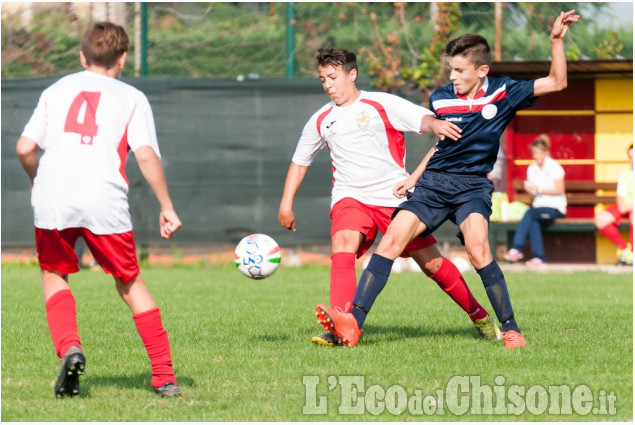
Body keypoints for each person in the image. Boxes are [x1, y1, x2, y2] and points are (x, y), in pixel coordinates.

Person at [315, 11, 580, 348]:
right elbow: (444, 144)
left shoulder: (504, 92)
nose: (452, 77)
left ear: (482, 71)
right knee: (392, 239)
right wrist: (416, 175)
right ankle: (353, 325)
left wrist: (556, 42)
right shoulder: (441, 98)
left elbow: (557, 81)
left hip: (472, 187)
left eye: (459, 71)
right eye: (450, 69)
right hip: (434, 184)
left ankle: (510, 328)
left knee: (478, 250)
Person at [279, 47, 502, 347]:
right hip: (350, 197)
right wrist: (286, 203)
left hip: (394, 198)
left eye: (333, 77)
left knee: (432, 265)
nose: (328, 84)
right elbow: (300, 160)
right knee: (342, 244)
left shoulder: (380, 103)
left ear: (352, 74)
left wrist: (437, 125)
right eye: (322, 79)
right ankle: (345, 326)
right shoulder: (321, 119)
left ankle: (478, 314)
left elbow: (423, 119)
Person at [16, 22, 182, 398]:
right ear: (122, 58)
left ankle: (71, 348)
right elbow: (145, 155)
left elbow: (25, 147)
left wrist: (35, 181)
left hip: (53, 195)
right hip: (103, 197)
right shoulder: (131, 97)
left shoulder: (55, 90)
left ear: (81, 56)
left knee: (54, 274)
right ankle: (164, 377)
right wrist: (166, 206)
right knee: (129, 283)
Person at [503, 135, 567, 267]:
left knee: (531, 214)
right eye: (534, 153)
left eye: (538, 153)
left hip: (555, 208)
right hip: (538, 209)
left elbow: (560, 189)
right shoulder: (532, 168)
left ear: (545, 152)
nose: (536, 156)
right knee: (534, 221)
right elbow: (534, 194)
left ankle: (516, 247)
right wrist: (530, 190)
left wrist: (539, 189)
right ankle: (540, 258)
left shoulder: (555, 167)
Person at [594, 144, 633, 265]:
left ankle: (632, 253)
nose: (632, 160)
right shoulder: (625, 173)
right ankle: (624, 249)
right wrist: (624, 206)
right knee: (600, 219)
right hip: (626, 206)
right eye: (630, 157)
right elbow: (620, 196)